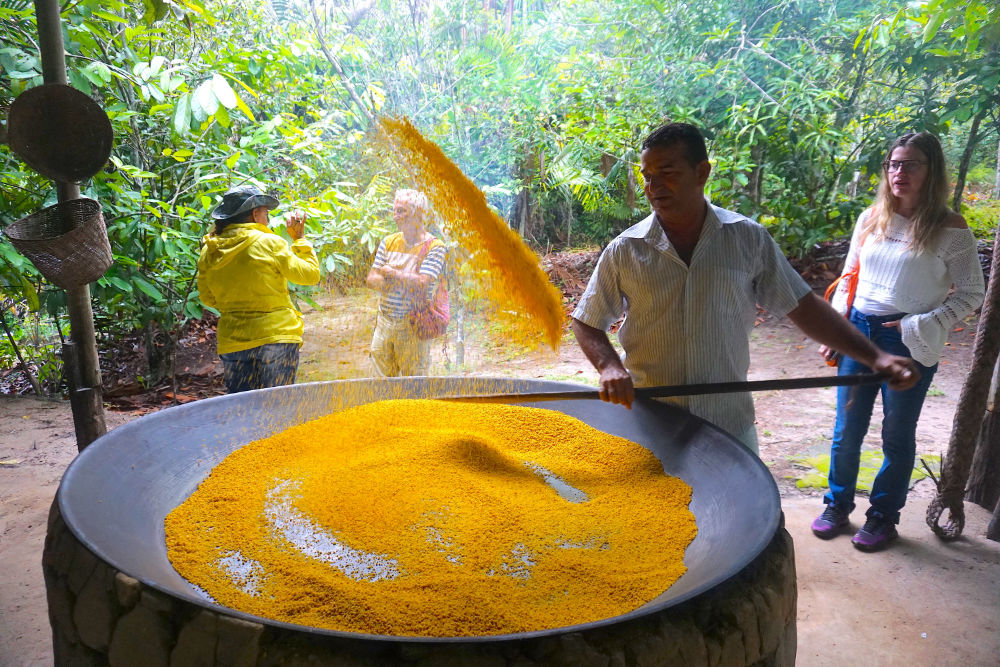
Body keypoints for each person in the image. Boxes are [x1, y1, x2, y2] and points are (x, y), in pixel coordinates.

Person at [571, 122, 919, 455]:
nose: (654, 186)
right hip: (651, 419)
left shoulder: (747, 238)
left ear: (702, 172)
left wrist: (877, 357)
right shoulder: (626, 249)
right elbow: (586, 321)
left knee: (745, 513)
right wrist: (609, 367)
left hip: (727, 421)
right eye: (647, 177)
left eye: (668, 173)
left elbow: (803, 306)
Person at [811, 132, 985, 551]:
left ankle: (884, 516)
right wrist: (837, 328)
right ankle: (837, 504)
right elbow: (849, 277)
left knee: (896, 434)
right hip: (858, 333)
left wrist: (919, 323)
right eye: (894, 164)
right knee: (846, 430)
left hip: (909, 343)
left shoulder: (950, 228)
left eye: (911, 164)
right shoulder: (872, 217)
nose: (899, 173)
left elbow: (971, 294)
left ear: (932, 171)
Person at [197, 184, 320, 393]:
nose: (267, 219)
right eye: (266, 213)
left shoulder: (210, 250)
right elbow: (310, 275)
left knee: (246, 413)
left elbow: (207, 298)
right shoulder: (269, 242)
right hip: (277, 338)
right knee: (279, 410)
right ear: (255, 214)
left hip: (233, 343)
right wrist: (299, 239)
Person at [366, 189, 447, 376]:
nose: (395, 217)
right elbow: (371, 279)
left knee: (413, 388)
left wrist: (391, 273)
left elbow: (422, 283)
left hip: (412, 325)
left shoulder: (435, 247)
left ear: (418, 213)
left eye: (401, 211)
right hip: (384, 322)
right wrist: (401, 280)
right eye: (394, 211)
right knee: (381, 385)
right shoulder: (389, 242)